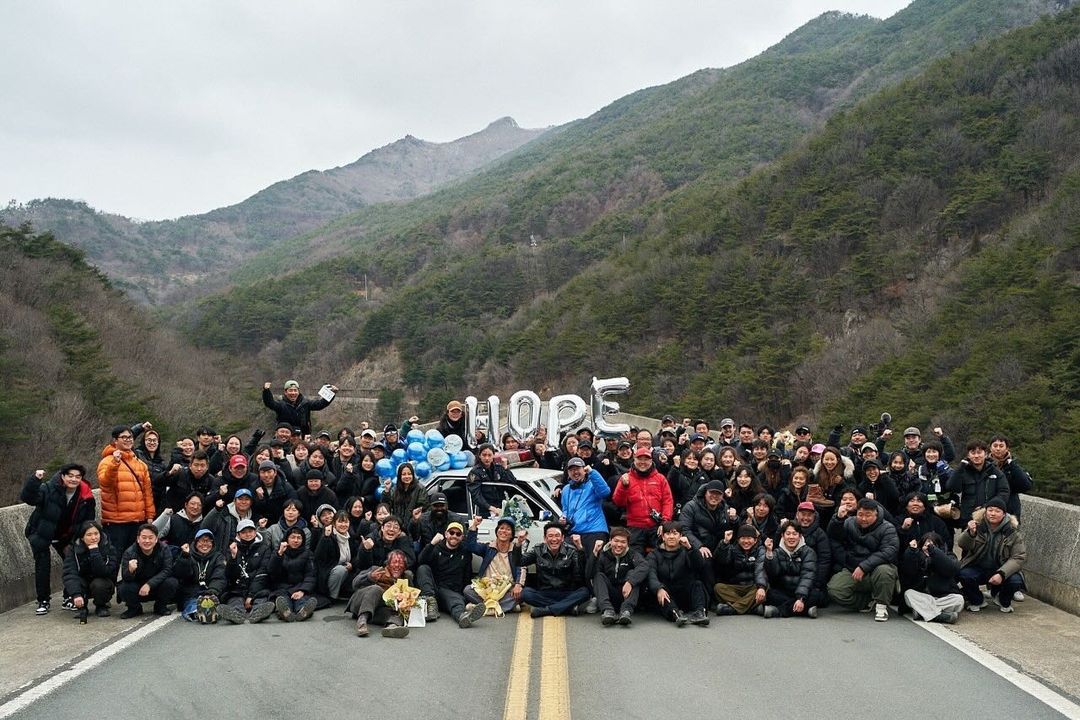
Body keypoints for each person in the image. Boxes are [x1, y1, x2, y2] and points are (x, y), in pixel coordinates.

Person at [22, 463, 96, 615]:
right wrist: (35, 480)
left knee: (71, 563)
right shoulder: (48, 488)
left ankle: (68, 597)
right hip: (42, 531)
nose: (74, 479)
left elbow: (88, 520)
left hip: (66, 535)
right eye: (70, 476)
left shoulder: (85, 496)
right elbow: (29, 498)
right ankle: (43, 600)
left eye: (77, 477)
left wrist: (80, 538)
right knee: (43, 565)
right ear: (63, 476)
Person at [826, 498, 899, 622]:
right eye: (860, 514)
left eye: (868, 515)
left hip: (877, 568)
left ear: (876, 513)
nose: (863, 519)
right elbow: (834, 536)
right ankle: (868, 602)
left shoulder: (888, 528)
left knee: (885, 571)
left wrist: (864, 566)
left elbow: (889, 551)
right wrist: (838, 519)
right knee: (835, 589)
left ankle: (881, 606)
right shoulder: (849, 522)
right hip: (853, 568)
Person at [958, 498, 1026, 613]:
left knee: (1016, 580)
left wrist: (1002, 573)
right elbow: (962, 544)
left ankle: (1002, 599)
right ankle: (977, 600)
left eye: (997, 511)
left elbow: (1019, 557)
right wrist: (970, 533)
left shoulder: (1012, 532)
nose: (993, 514)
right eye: (990, 510)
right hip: (978, 567)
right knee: (964, 574)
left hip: (1001, 568)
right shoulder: (977, 525)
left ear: (1004, 514)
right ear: (985, 511)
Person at [416, 519, 488, 628]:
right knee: (423, 568)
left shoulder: (465, 552)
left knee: (455, 600)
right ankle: (430, 605)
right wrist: (431, 544)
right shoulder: (436, 547)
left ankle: (463, 617)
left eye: (458, 534)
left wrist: (465, 596)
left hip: (452, 591)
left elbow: (467, 574)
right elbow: (421, 561)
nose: (454, 536)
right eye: (451, 533)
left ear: (462, 537)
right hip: (434, 590)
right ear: (446, 534)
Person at [98, 425, 156, 556]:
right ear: (115, 441)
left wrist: (150, 515)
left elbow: (147, 492)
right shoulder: (107, 462)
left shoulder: (140, 464)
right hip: (116, 522)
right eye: (124, 437)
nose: (128, 440)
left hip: (138, 520)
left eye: (130, 437)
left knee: (135, 560)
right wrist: (115, 463)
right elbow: (105, 482)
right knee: (114, 559)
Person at [515, 523, 590, 618]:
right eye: (550, 536)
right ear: (545, 538)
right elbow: (519, 562)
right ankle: (567, 608)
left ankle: (547, 610)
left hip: (565, 592)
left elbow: (581, 573)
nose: (554, 539)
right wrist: (519, 543)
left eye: (557, 536)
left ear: (562, 538)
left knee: (585, 592)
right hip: (544, 593)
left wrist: (579, 547)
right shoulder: (538, 549)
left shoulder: (571, 551)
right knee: (526, 593)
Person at [646, 522, 709, 626]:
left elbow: (700, 566)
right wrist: (658, 588)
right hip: (667, 594)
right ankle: (675, 614)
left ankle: (700, 613)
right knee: (662, 592)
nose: (671, 537)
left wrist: (690, 548)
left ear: (681, 536)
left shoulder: (687, 551)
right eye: (668, 534)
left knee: (697, 584)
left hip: (685, 593)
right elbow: (650, 574)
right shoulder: (654, 555)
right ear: (662, 536)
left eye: (675, 534)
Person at [612, 447, 673, 553]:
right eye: (640, 459)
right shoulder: (626, 478)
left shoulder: (660, 478)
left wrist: (665, 522)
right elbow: (618, 502)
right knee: (635, 558)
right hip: (635, 527)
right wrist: (624, 487)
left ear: (651, 461)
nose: (643, 462)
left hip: (656, 526)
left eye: (646, 459)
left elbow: (667, 501)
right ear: (634, 460)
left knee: (663, 554)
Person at [559, 457, 611, 582]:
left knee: (593, 566)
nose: (575, 472)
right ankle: (578, 591)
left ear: (584, 469)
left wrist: (592, 473)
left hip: (594, 530)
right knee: (574, 565)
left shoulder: (592, 484)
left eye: (578, 469)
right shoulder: (566, 489)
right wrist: (563, 518)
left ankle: (595, 593)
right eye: (571, 470)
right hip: (575, 532)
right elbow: (566, 509)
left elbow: (605, 492)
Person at [217, 519, 275, 625]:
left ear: (255, 532)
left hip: (257, 587)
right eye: (243, 532)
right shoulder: (232, 548)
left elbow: (262, 573)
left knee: (262, 597)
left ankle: (258, 613)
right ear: (238, 534)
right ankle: (236, 615)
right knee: (234, 598)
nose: (247, 534)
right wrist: (233, 558)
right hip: (238, 588)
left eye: (250, 531)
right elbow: (230, 575)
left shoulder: (264, 548)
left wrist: (251, 595)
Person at [679, 480, 733, 592]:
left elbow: (728, 529)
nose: (714, 496)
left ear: (723, 496)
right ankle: (711, 596)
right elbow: (684, 529)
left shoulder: (724, 508)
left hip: (718, 545)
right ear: (705, 492)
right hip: (695, 546)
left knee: (730, 559)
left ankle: (726, 594)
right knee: (706, 560)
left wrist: (735, 520)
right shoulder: (691, 506)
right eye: (711, 493)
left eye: (718, 494)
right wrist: (699, 546)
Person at [346, 549, 413, 638]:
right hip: (362, 602)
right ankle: (362, 621)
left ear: (404, 567)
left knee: (399, 610)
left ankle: (391, 626)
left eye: (401, 564)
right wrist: (369, 577)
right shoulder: (377, 570)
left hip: (379, 608)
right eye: (394, 562)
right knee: (376, 589)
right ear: (388, 564)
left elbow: (411, 595)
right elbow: (355, 583)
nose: (397, 565)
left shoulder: (405, 578)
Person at [900, 531, 963, 623]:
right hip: (922, 596)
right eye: (925, 545)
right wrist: (911, 552)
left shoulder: (948, 555)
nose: (927, 548)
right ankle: (940, 616)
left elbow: (952, 569)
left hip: (942, 597)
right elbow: (908, 571)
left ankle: (922, 612)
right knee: (908, 594)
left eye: (931, 545)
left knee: (959, 600)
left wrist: (934, 552)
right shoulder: (916, 554)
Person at [464, 517, 523, 616]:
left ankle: (481, 608)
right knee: (467, 590)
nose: (504, 531)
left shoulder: (515, 550)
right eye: (501, 528)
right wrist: (474, 525)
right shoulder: (488, 547)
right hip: (486, 589)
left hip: (506, 590)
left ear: (512, 535)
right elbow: (471, 546)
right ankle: (504, 607)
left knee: (521, 595)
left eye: (508, 529)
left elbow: (521, 568)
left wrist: (518, 585)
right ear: (497, 532)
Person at [118, 523, 178, 618]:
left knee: (171, 582)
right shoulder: (129, 552)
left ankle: (160, 606)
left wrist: (149, 584)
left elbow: (167, 570)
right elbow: (125, 578)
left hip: (156, 585)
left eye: (150, 538)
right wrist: (130, 570)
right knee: (124, 588)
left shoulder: (164, 549)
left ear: (156, 539)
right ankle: (134, 608)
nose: (147, 541)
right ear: (138, 539)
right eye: (144, 537)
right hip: (138, 587)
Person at [761, 522, 820, 618]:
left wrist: (800, 598)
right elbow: (773, 573)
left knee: (816, 595)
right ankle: (806, 611)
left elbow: (807, 576)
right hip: (784, 592)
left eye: (794, 534)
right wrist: (769, 553)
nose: (791, 537)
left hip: (804, 593)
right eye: (788, 534)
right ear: (782, 536)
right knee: (770, 594)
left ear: (800, 536)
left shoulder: (808, 552)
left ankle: (777, 611)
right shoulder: (777, 552)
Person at [62, 521, 116, 623]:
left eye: (96, 534)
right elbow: (69, 573)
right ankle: (82, 607)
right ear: (82, 537)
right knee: (76, 582)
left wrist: (95, 552)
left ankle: (101, 606)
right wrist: (76, 594)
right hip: (83, 581)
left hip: (102, 581)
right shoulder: (73, 550)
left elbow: (105, 572)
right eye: (89, 535)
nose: (94, 538)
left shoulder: (108, 547)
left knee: (99, 584)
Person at [593, 527, 649, 626]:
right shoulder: (603, 555)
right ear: (610, 541)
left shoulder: (633, 554)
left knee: (633, 573)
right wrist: (594, 554)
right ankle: (607, 611)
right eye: (616, 541)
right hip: (609, 597)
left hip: (627, 596)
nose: (619, 545)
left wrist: (630, 582)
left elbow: (644, 566)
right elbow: (589, 574)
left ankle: (626, 612)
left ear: (627, 543)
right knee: (598, 575)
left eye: (623, 542)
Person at [950, 440, 1010, 525]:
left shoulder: (995, 471)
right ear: (968, 455)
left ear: (985, 454)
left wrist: (986, 507)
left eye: (979, 453)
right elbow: (952, 487)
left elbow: (1004, 492)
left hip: (988, 517)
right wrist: (960, 467)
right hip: (968, 518)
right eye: (973, 453)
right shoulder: (963, 471)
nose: (976, 456)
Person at [174, 528, 227, 623]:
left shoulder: (219, 557)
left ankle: (211, 612)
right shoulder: (187, 554)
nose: (205, 544)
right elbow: (181, 574)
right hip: (192, 593)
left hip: (211, 592)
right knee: (192, 602)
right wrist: (185, 557)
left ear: (213, 543)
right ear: (195, 542)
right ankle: (197, 613)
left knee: (214, 600)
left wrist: (212, 591)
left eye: (208, 541)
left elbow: (219, 576)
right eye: (202, 541)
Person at [266, 525, 318, 621]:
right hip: (282, 587)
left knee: (300, 600)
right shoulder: (278, 551)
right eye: (292, 537)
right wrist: (279, 554)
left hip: (299, 586)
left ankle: (303, 612)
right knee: (283, 600)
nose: (296, 540)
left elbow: (311, 575)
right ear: (287, 539)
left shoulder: (308, 553)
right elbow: (272, 571)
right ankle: (285, 613)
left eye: (299, 538)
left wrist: (303, 590)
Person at [713, 525, 767, 616]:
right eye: (743, 538)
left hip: (753, 587)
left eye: (749, 538)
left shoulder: (760, 550)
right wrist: (725, 542)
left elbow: (760, 569)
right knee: (718, 588)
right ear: (738, 540)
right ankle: (751, 607)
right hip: (736, 587)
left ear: (755, 540)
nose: (746, 541)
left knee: (765, 588)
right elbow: (722, 559)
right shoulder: (733, 549)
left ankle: (732, 609)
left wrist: (761, 587)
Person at [261, 379, 337, 438]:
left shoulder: (306, 403)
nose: (293, 393)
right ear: (285, 392)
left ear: (298, 391)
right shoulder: (281, 405)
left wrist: (332, 393)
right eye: (290, 390)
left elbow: (320, 404)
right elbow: (270, 403)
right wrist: (266, 391)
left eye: (295, 390)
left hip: (303, 437)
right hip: (285, 437)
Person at [313, 511, 361, 602]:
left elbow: (356, 556)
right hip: (329, 573)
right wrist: (325, 538)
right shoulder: (328, 536)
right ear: (334, 524)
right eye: (340, 522)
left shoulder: (350, 537)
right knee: (340, 570)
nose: (343, 525)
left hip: (346, 571)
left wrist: (352, 564)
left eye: (346, 522)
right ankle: (332, 597)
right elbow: (318, 557)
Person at [988, 434, 1033, 521]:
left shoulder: (1013, 466)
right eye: (995, 446)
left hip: (1009, 512)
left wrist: (1012, 465)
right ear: (990, 448)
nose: (998, 449)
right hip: (988, 511)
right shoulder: (984, 465)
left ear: (1007, 448)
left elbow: (1026, 486)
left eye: (1001, 446)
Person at [467, 444, 516, 517]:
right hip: (484, 511)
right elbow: (476, 496)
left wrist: (506, 468)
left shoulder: (498, 468)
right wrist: (491, 508)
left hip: (501, 508)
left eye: (489, 455)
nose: (487, 458)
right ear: (479, 456)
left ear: (493, 455)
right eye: (484, 455)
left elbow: (512, 483)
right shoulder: (475, 472)